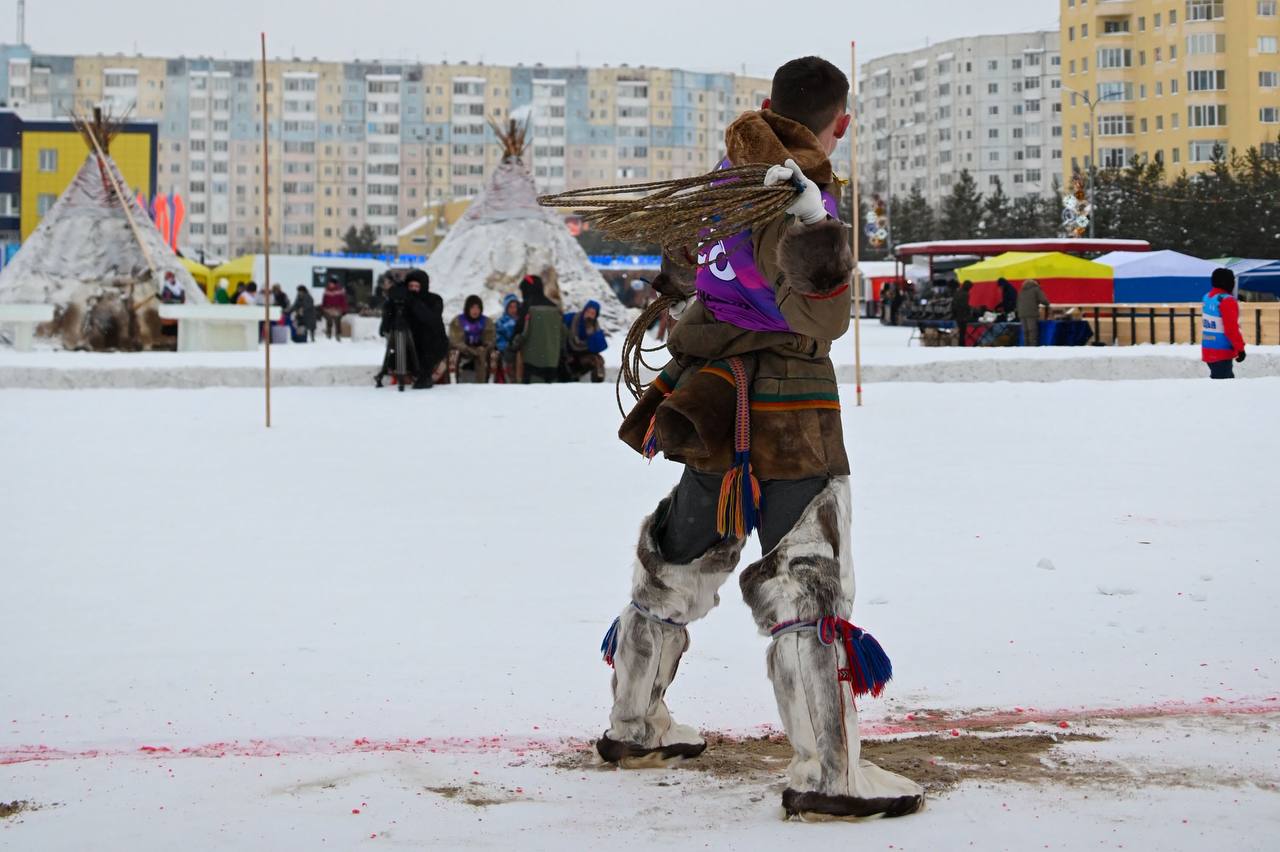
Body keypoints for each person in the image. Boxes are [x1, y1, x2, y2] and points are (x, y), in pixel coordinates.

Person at [602, 56, 923, 821]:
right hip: (789, 406)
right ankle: (829, 774)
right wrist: (816, 232)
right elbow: (823, 320)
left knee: (676, 561)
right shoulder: (799, 191)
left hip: (709, 401)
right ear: (838, 122)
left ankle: (635, 725)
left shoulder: (723, 180)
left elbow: (682, 271)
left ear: (767, 105)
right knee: (806, 578)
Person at [516, 275, 564, 384]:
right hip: (552, 362)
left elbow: (519, 331)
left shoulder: (527, 306)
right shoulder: (554, 308)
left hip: (531, 362)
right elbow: (563, 333)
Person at [405, 269, 449, 388]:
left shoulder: (434, 300)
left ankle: (425, 375)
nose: (413, 289)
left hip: (432, 345)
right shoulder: (404, 301)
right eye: (410, 286)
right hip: (409, 344)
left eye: (416, 286)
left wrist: (414, 303)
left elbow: (430, 319)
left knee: (427, 333)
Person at [1202, 267, 1246, 379]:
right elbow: (1231, 329)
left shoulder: (1207, 297)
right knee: (1224, 388)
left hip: (1208, 349)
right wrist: (1240, 348)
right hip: (1222, 352)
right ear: (1228, 282)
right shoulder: (1227, 300)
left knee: (1221, 383)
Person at [448, 294, 497, 383]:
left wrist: (484, 346)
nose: (475, 311)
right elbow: (455, 340)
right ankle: (455, 382)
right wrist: (468, 349)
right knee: (454, 354)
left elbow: (490, 338)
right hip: (463, 349)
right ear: (468, 308)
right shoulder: (458, 321)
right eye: (473, 308)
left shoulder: (486, 321)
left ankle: (481, 383)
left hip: (480, 349)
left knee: (482, 354)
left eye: (478, 308)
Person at [563, 299, 607, 382]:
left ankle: (598, 383)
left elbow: (600, 347)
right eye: (588, 312)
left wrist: (591, 333)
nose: (589, 315)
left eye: (592, 313)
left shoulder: (595, 327)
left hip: (584, 355)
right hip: (570, 352)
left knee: (597, 360)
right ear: (584, 310)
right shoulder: (572, 318)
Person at [494, 294, 522, 382]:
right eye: (510, 307)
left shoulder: (522, 320)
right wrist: (507, 347)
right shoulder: (501, 322)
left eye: (515, 307)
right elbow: (498, 338)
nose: (513, 309)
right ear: (506, 308)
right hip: (507, 352)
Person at [1017, 279, 1051, 346]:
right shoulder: (1036, 289)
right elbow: (1044, 300)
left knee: (1025, 331)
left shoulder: (1021, 290)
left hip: (1022, 313)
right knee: (1032, 331)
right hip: (1031, 312)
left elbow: (1017, 302)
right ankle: (1032, 348)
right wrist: (1047, 303)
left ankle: (1026, 347)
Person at [321, 277, 349, 341]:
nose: (330, 284)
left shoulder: (340, 290)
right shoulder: (326, 290)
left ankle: (338, 335)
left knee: (337, 320)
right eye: (329, 283)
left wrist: (344, 309)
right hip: (328, 309)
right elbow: (324, 301)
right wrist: (323, 308)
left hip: (337, 309)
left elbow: (343, 301)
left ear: (335, 284)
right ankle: (328, 334)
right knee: (329, 320)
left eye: (331, 283)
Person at [953, 280, 973, 346]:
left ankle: (960, 345)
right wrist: (969, 312)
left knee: (960, 333)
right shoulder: (965, 294)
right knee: (962, 333)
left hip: (957, 315)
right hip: (963, 316)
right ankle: (962, 345)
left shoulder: (957, 292)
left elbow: (954, 305)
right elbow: (965, 306)